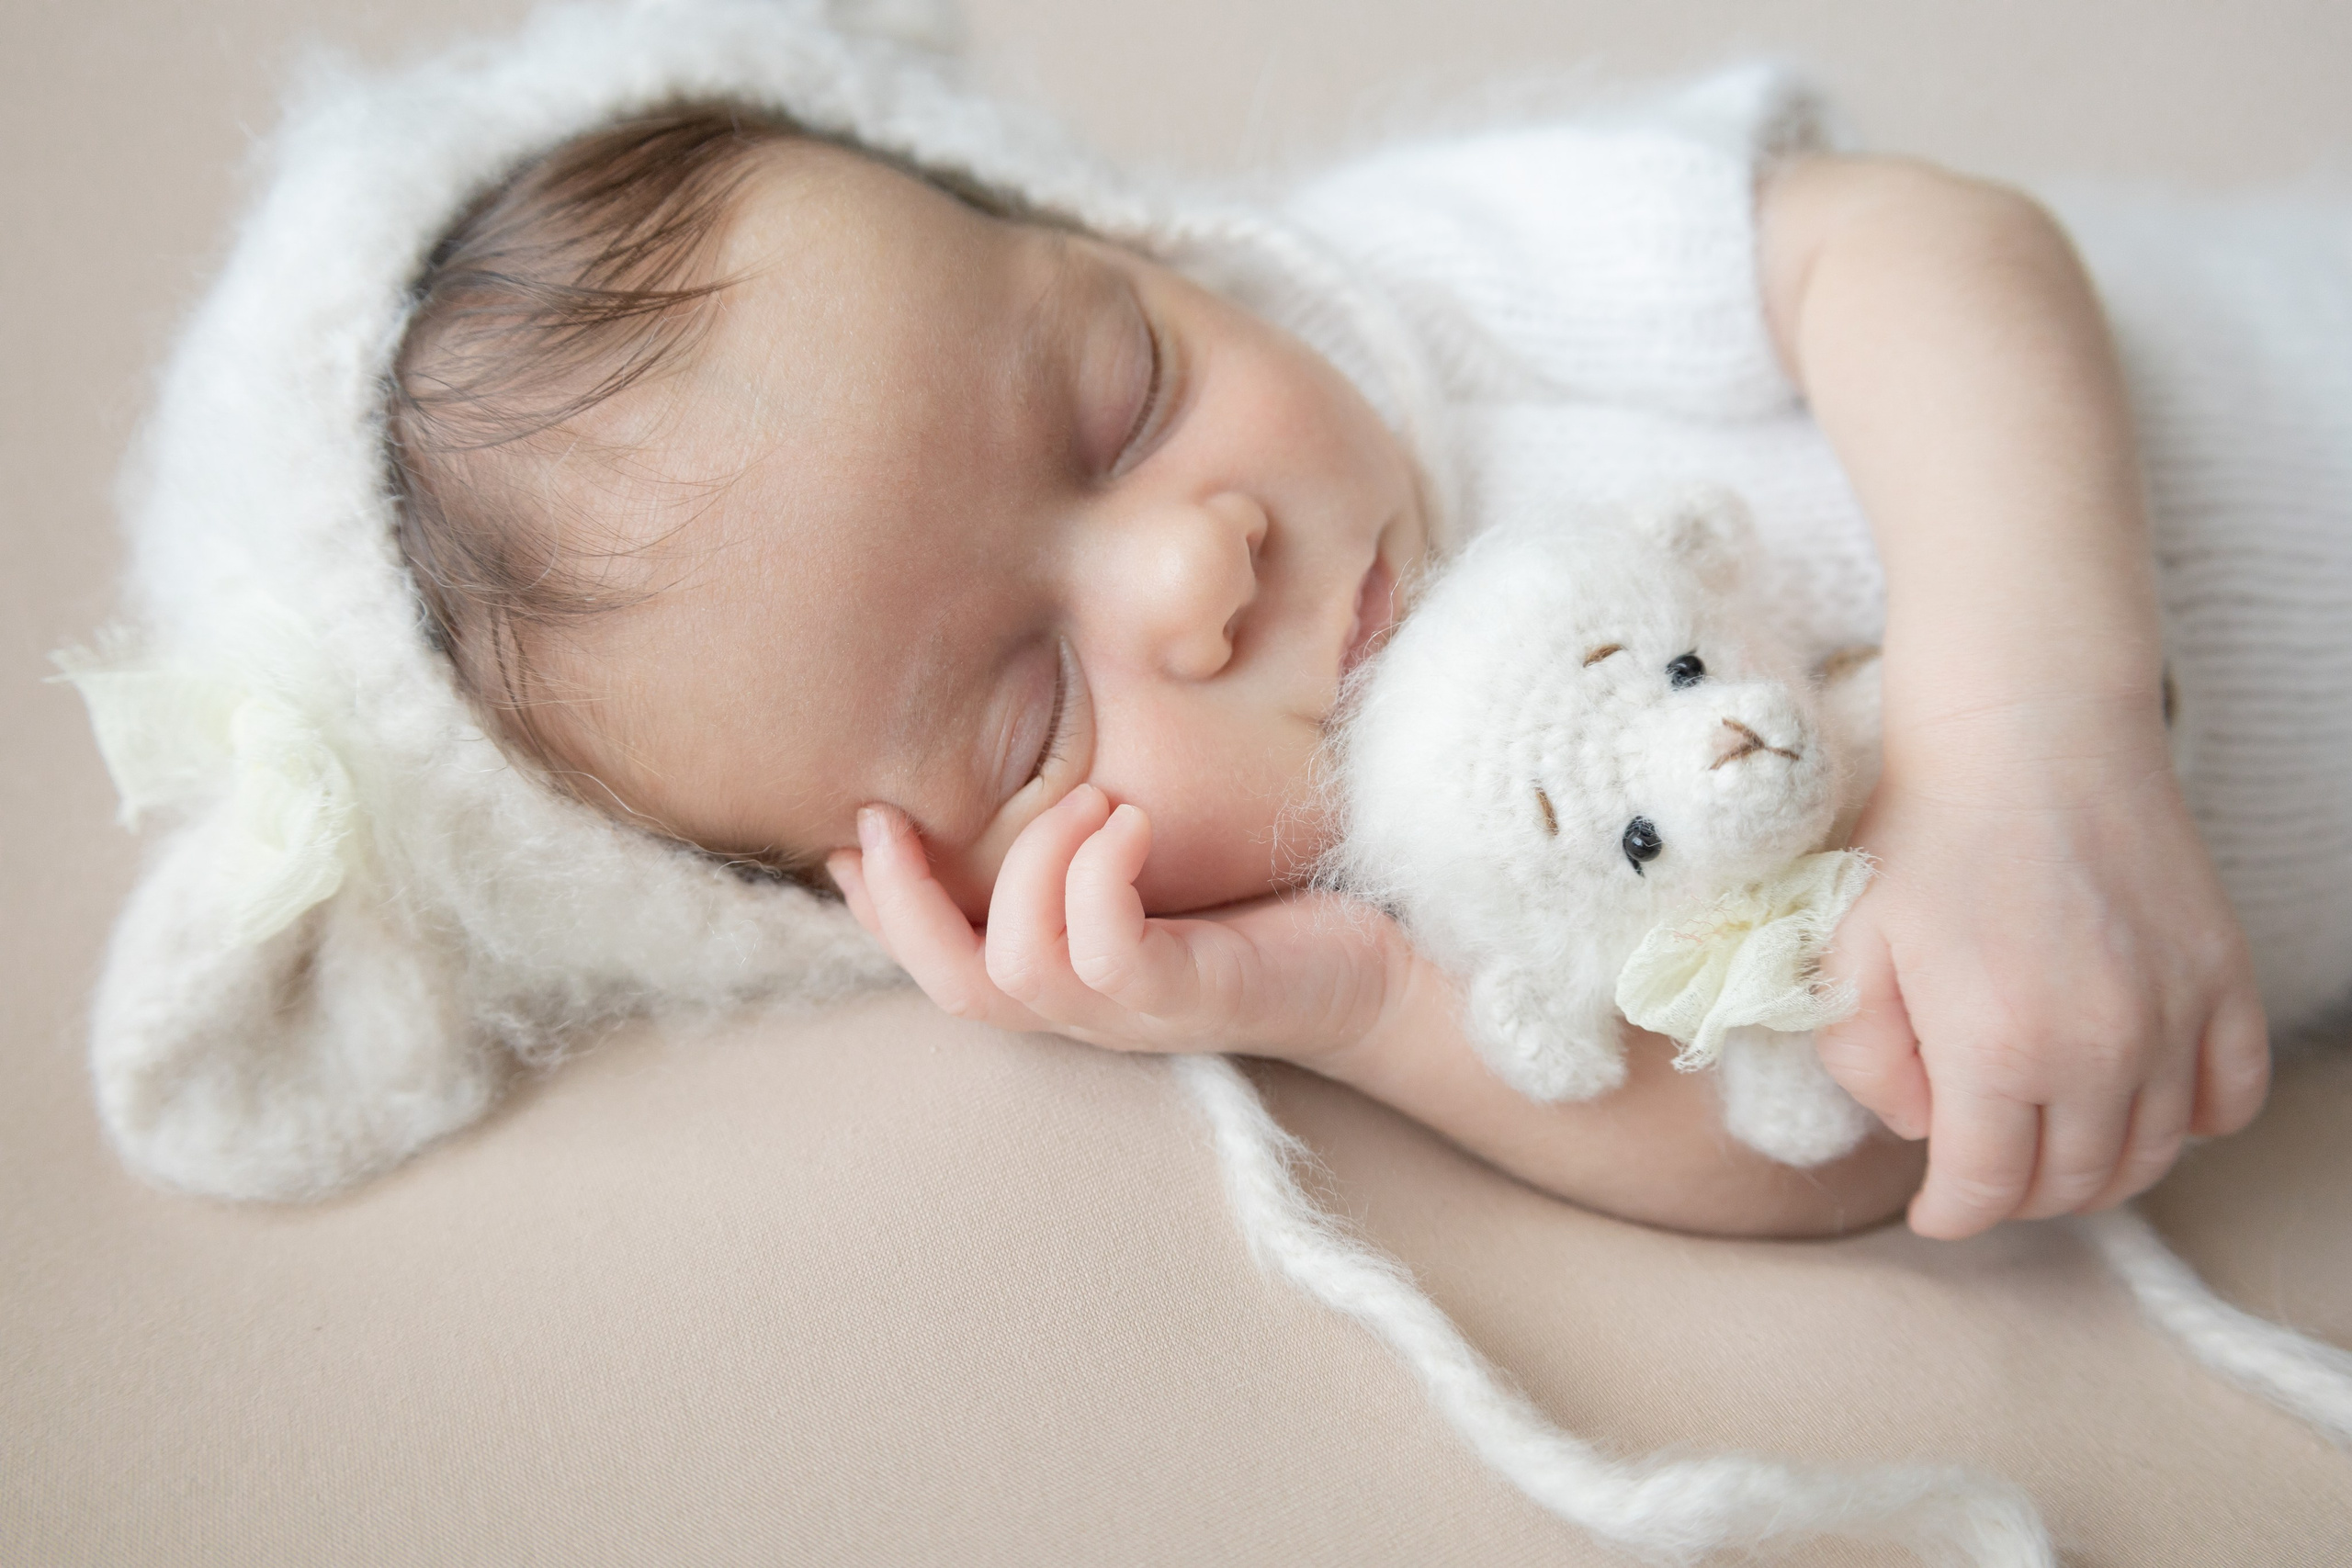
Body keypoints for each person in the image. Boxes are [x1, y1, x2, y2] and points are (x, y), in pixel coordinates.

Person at [385, 79, 2288, 1243]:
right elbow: (1827, 1147)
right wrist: (1352, 1002)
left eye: (1125, 393)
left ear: (1114, 238)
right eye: (1035, 705)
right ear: (908, 889)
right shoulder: (1391, 891)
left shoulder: (1418, 285)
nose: (1192, 569)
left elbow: (1920, 246)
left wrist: (2031, 728)